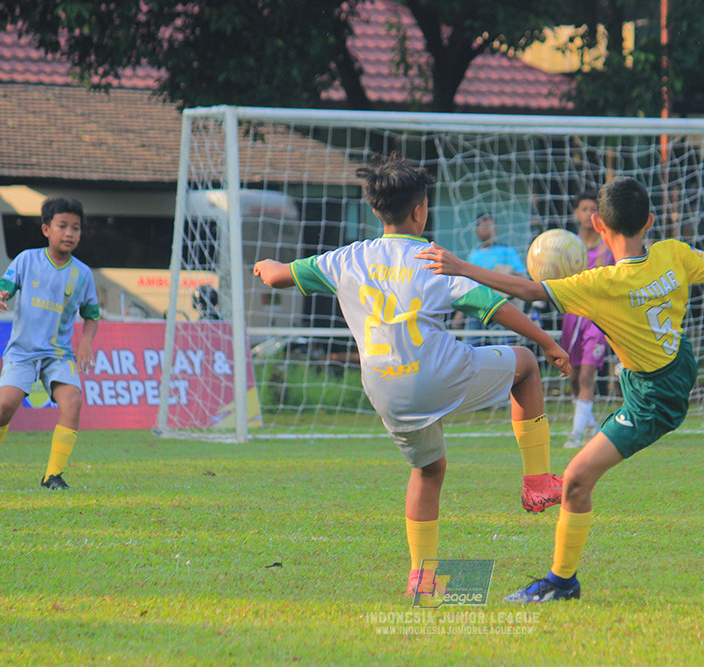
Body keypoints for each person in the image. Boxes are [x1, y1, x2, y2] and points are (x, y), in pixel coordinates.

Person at [417, 176, 704, 603]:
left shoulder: (599, 283)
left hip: (653, 398)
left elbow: (529, 290)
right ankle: (562, 582)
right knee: (578, 477)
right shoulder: (673, 254)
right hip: (678, 363)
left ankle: (561, 583)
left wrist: (460, 267)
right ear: (650, 220)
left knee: (575, 480)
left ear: (599, 227)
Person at [253, 153, 572, 596]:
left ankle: (422, 577)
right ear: (420, 210)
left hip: (385, 390)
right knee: (524, 366)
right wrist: (549, 343)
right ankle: (537, 480)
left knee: (428, 470)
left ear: (373, 209)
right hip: (441, 373)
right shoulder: (432, 259)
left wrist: (264, 265)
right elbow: (495, 307)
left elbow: (277, 277)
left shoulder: (345, 259)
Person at [0, 197, 100, 491]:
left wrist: (86, 342)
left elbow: (91, 315)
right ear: (46, 229)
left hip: (58, 354)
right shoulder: (26, 260)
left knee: (73, 402)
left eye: (76, 228)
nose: (69, 233)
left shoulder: (83, 274)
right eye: (62, 226)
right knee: (5, 406)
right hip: (23, 352)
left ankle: (52, 475)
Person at [560, 192, 614, 449]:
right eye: (583, 209)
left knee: (587, 377)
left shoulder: (609, 247)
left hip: (597, 318)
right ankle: (591, 425)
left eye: (593, 209)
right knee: (573, 375)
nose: (588, 214)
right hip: (572, 316)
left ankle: (575, 434)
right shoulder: (570, 247)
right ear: (576, 214)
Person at [454, 213, 528, 344]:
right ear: (477, 231)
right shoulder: (473, 255)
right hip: (476, 306)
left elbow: (521, 276)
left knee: (505, 345)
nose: (487, 231)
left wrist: (501, 276)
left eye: (490, 227)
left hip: (500, 304)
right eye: (484, 228)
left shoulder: (507, 250)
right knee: (471, 345)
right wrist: (460, 314)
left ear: (496, 230)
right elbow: (467, 285)